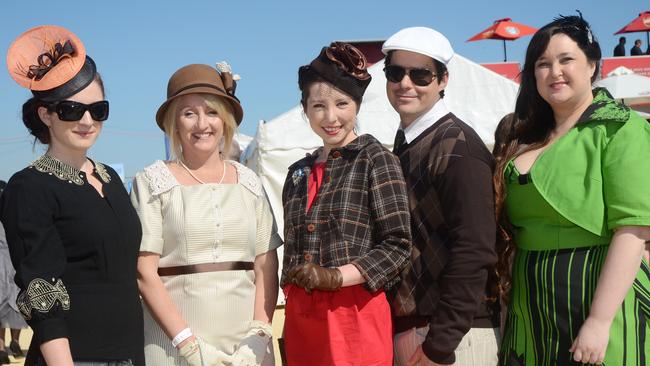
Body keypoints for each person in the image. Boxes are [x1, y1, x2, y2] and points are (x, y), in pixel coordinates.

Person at [494, 14, 650, 365]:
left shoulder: (621, 129)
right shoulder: (523, 137)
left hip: (600, 293)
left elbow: (633, 229)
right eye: (543, 64)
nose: (554, 72)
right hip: (531, 301)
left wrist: (599, 320)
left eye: (567, 60)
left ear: (592, 64)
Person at [0, 25, 144, 365]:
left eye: (98, 110)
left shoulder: (109, 178)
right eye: (71, 110)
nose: (87, 120)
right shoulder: (29, 186)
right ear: (46, 114)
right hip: (75, 358)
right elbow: (39, 290)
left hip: (131, 354)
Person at [131, 62, 281, 366]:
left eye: (212, 112)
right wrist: (188, 344)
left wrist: (260, 334)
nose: (202, 123)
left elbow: (266, 263)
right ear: (174, 123)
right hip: (173, 346)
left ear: (225, 120)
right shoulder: (151, 181)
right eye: (189, 113)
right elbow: (144, 272)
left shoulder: (249, 181)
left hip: (247, 348)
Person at [280, 42, 412, 365]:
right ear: (305, 109)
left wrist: (337, 277)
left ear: (357, 105)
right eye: (318, 106)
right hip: (301, 319)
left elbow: (398, 246)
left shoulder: (376, 159)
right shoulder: (297, 173)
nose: (331, 117)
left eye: (342, 103)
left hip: (354, 316)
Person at [382, 27, 501, 366]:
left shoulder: (457, 146)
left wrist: (440, 343)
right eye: (395, 72)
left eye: (421, 75)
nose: (406, 83)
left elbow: (475, 248)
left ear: (443, 79)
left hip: (451, 339)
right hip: (422, 332)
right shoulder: (410, 143)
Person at [0, 181, 28, 365]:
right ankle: (15, 342)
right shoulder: (17, 214)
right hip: (15, 264)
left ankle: (1, 348)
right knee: (16, 304)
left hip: (2, 265)